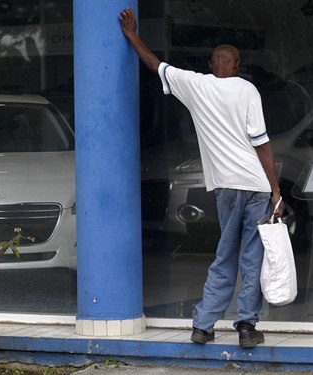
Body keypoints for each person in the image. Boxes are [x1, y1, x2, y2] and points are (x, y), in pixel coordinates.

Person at [119, 8, 285, 348]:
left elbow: (154, 64)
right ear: (237, 67)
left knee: (225, 254)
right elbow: (262, 144)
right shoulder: (248, 90)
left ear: (212, 66)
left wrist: (132, 34)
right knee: (251, 256)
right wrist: (276, 190)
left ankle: (203, 325)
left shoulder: (196, 85)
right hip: (255, 183)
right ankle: (247, 328)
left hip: (226, 186)